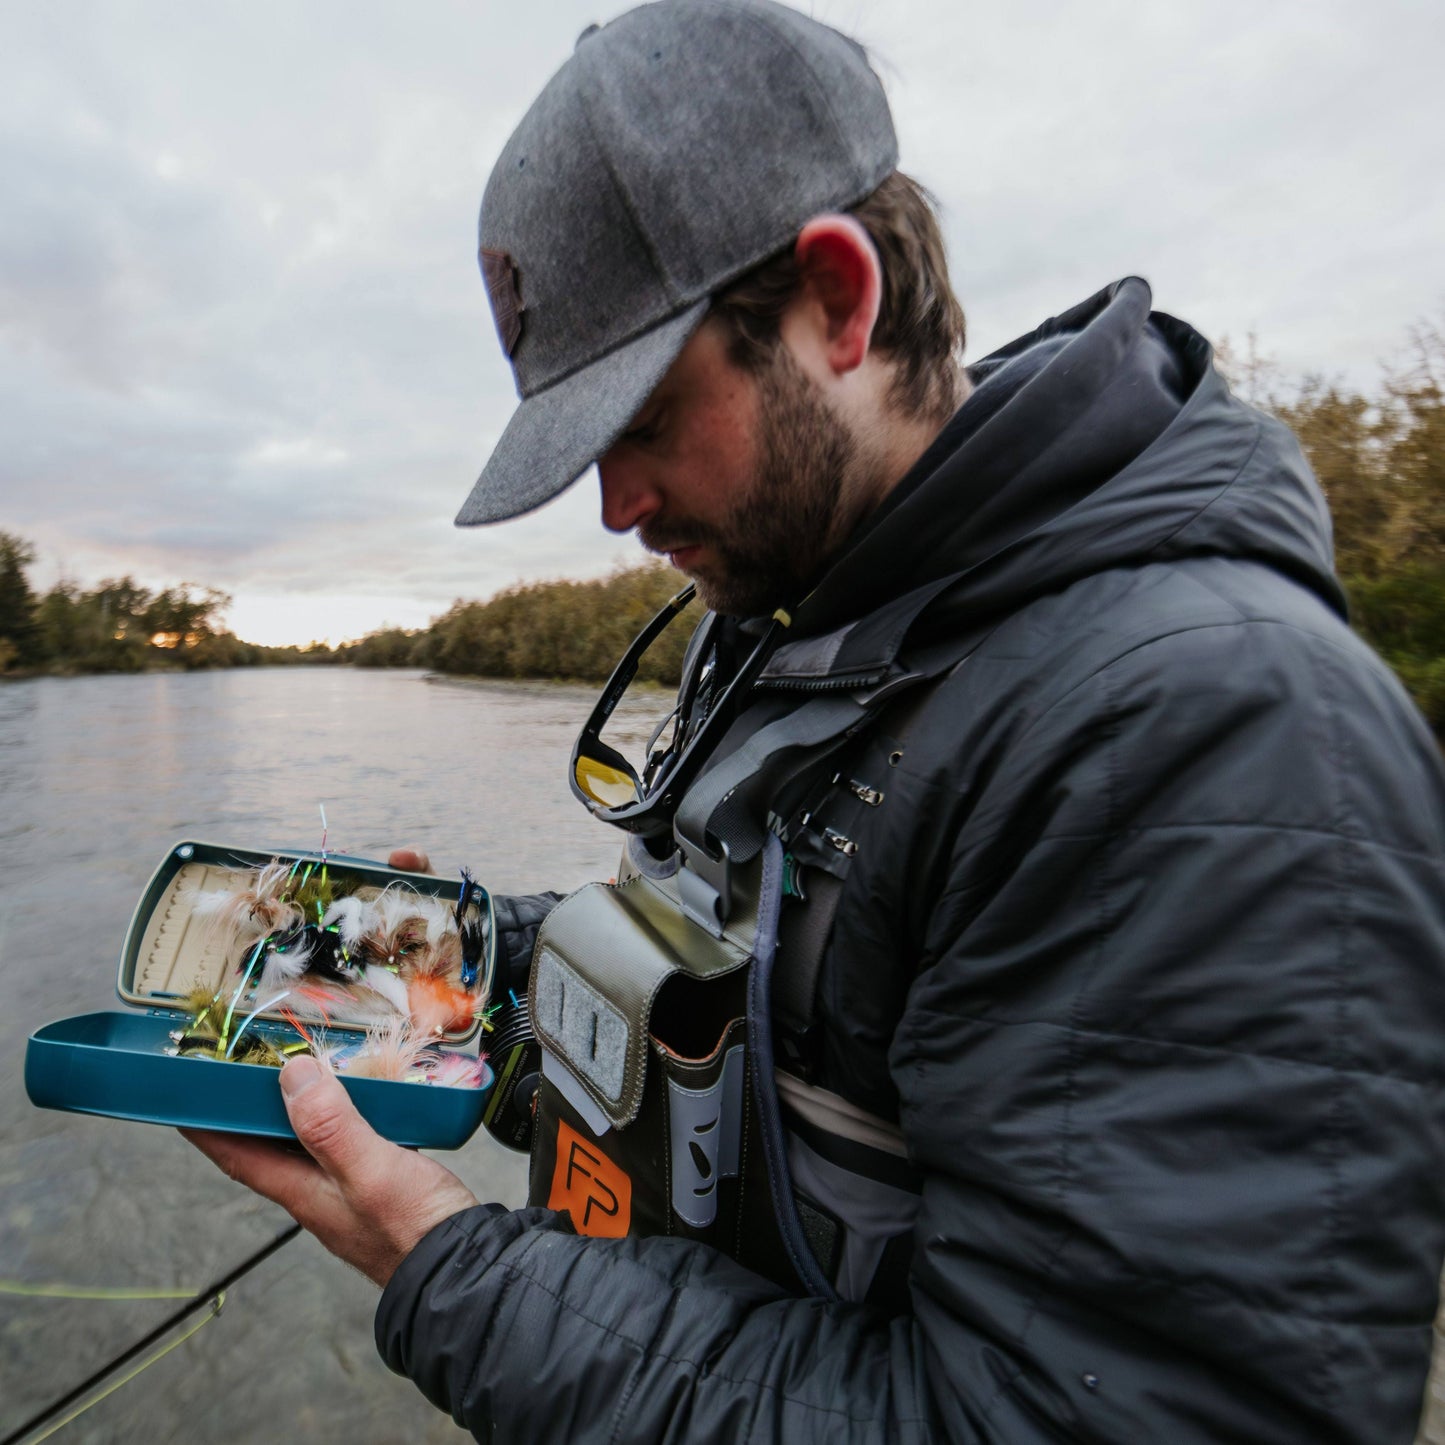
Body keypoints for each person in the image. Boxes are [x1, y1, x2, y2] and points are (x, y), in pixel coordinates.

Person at [186, 2, 1445, 1440]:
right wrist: (457, 965)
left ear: (838, 302)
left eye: (643, 421)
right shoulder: (793, 626)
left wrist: (453, 1275)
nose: (614, 507)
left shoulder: (1203, 728)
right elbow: (752, 1016)